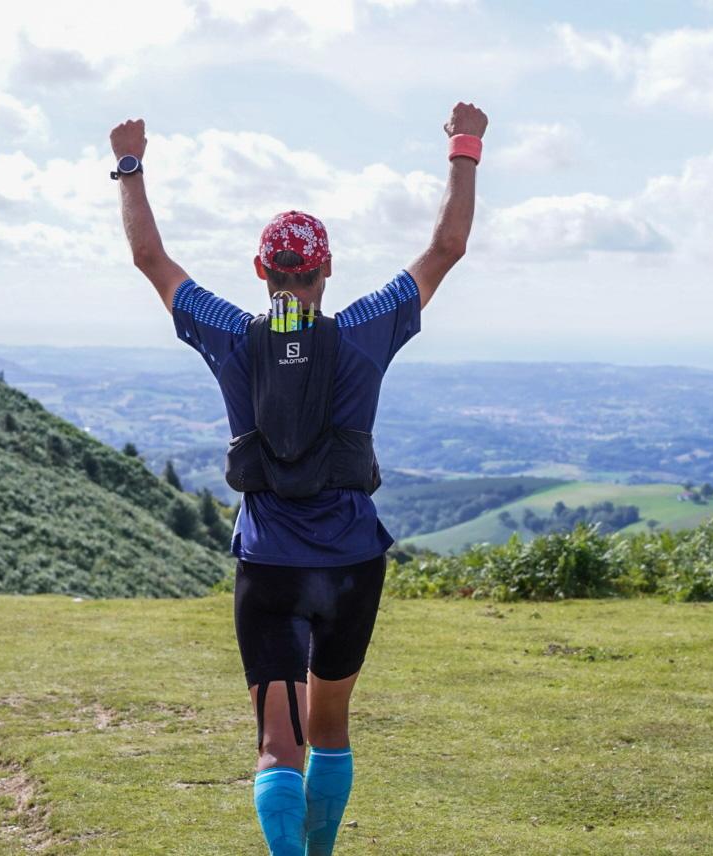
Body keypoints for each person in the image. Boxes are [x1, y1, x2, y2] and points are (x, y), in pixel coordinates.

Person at [110, 102, 487, 855]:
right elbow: (447, 246)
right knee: (332, 731)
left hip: (270, 567)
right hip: (351, 566)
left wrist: (129, 163)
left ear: (262, 270)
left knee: (279, 745)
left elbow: (151, 260)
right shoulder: (365, 331)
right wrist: (464, 148)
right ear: (326, 270)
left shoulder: (228, 334)